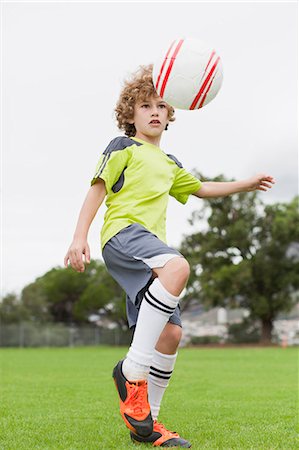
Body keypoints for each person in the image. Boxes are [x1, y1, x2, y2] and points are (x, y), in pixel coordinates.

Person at [64, 64, 275, 448]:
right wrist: (79, 237)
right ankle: (131, 372)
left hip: (148, 251)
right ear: (130, 115)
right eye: (146, 106)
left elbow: (202, 188)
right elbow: (97, 189)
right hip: (124, 237)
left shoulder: (171, 163)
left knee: (172, 333)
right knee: (178, 266)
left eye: (162, 105)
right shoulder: (122, 147)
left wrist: (246, 183)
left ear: (171, 114)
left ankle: (148, 426)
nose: (155, 111)